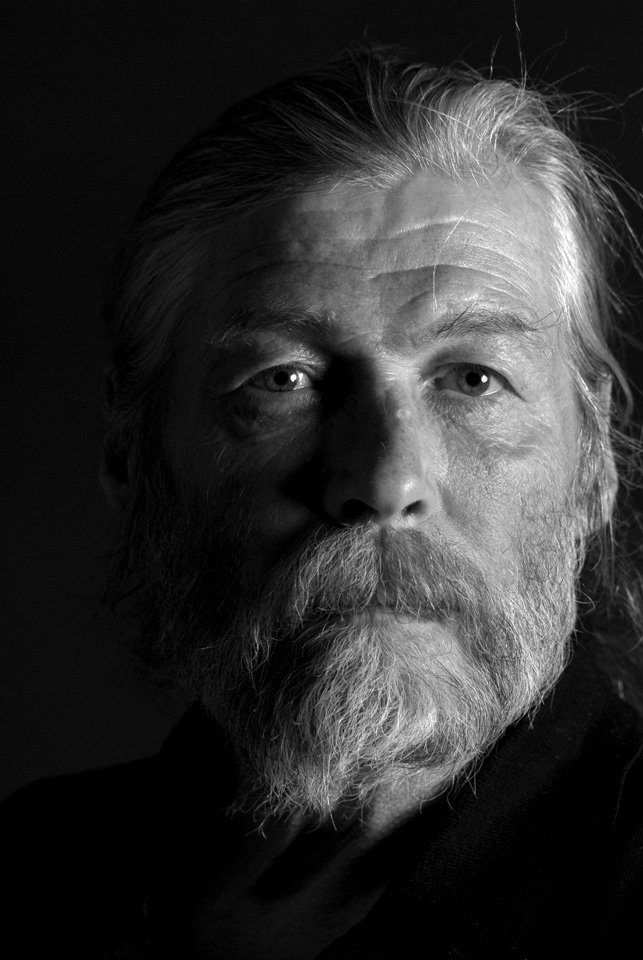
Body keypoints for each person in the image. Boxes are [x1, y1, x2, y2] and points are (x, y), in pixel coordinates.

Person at [4, 41, 643, 959]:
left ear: (594, 464)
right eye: (284, 380)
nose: (385, 482)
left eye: (473, 378)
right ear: (130, 458)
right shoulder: (32, 862)